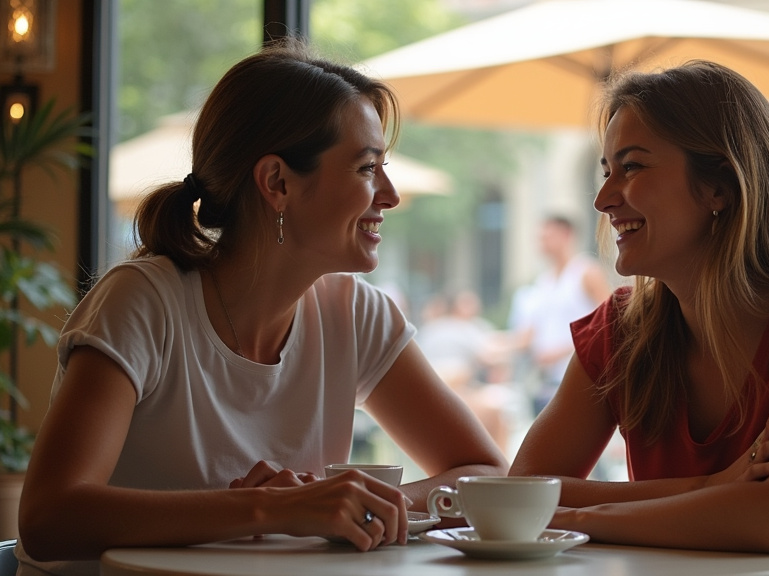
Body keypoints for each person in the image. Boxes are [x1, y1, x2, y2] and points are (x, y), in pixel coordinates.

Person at [16, 39, 507, 575]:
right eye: (367, 168)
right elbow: (48, 518)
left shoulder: (355, 314)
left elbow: (483, 471)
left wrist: (343, 500)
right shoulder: (142, 302)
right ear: (276, 182)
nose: (387, 195)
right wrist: (275, 508)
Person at [509, 60, 769, 576]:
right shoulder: (621, 331)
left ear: (720, 187)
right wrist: (717, 485)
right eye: (606, 170)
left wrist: (578, 516)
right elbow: (519, 495)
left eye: (631, 167)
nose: (603, 199)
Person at [507, 214, 611, 415]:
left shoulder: (586, 272)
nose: (542, 243)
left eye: (548, 236)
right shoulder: (543, 281)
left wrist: (563, 351)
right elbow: (529, 334)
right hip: (549, 380)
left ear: (567, 235)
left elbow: (608, 320)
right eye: (540, 238)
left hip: (581, 375)